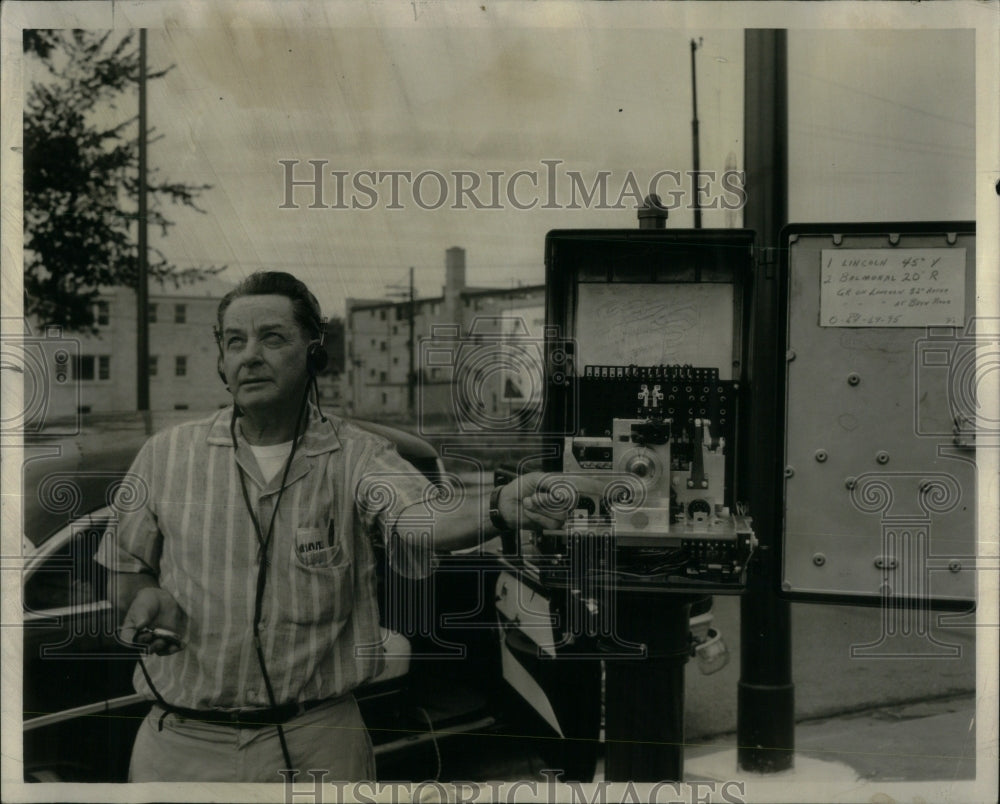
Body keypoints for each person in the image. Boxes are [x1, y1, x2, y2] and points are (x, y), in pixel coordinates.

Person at [96, 271, 577, 782]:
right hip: (179, 748)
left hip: (316, 744)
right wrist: (143, 600)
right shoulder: (164, 455)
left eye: (272, 337)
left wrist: (501, 504)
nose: (250, 354)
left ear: (314, 352)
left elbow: (419, 519)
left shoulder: (358, 456)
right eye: (234, 341)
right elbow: (127, 573)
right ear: (221, 360)